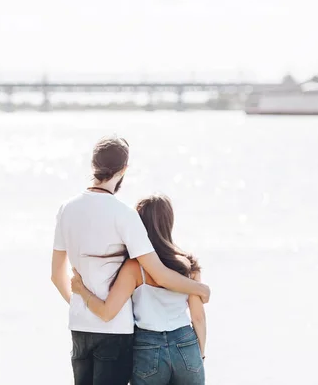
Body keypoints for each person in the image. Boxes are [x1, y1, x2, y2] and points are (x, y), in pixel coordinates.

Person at [51, 136, 210, 385]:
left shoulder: (66, 209)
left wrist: (79, 302)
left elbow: (56, 275)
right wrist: (199, 288)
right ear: (124, 169)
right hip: (121, 331)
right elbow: (159, 274)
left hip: (81, 326)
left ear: (93, 165)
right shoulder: (124, 215)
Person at [71, 194, 206, 385]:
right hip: (186, 343)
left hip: (149, 348)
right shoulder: (188, 264)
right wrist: (199, 355)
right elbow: (198, 318)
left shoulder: (135, 268)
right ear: (169, 222)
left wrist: (81, 290)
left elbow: (107, 312)